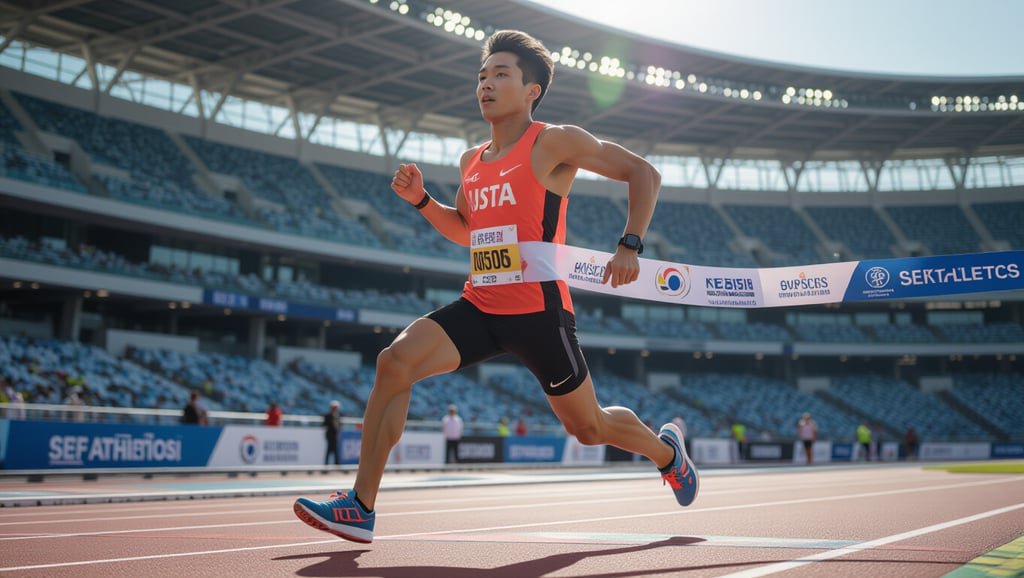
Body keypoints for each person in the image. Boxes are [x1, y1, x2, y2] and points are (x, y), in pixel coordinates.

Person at [293, 29, 699, 544]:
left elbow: (644, 173)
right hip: (481, 305)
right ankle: (360, 506)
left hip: (539, 313)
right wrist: (422, 201)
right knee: (393, 363)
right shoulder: (471, 161)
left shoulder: (554, 142)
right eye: (482, 75)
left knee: (589, 428)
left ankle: (666, 454)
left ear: (532, 90)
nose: (486, 84)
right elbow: (466, 229)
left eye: (501, 74)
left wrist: (630, 244)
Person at [324, 400, 341, 465]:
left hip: (335, 435)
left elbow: (339, 425)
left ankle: (337, 464)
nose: (335, 409)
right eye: (334, 407)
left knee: (335, 451)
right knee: (328, 450)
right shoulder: (327, 415)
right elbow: (325, 424)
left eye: (336, 407)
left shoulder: (338, 415)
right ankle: (326, 465)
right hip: (329, 435)